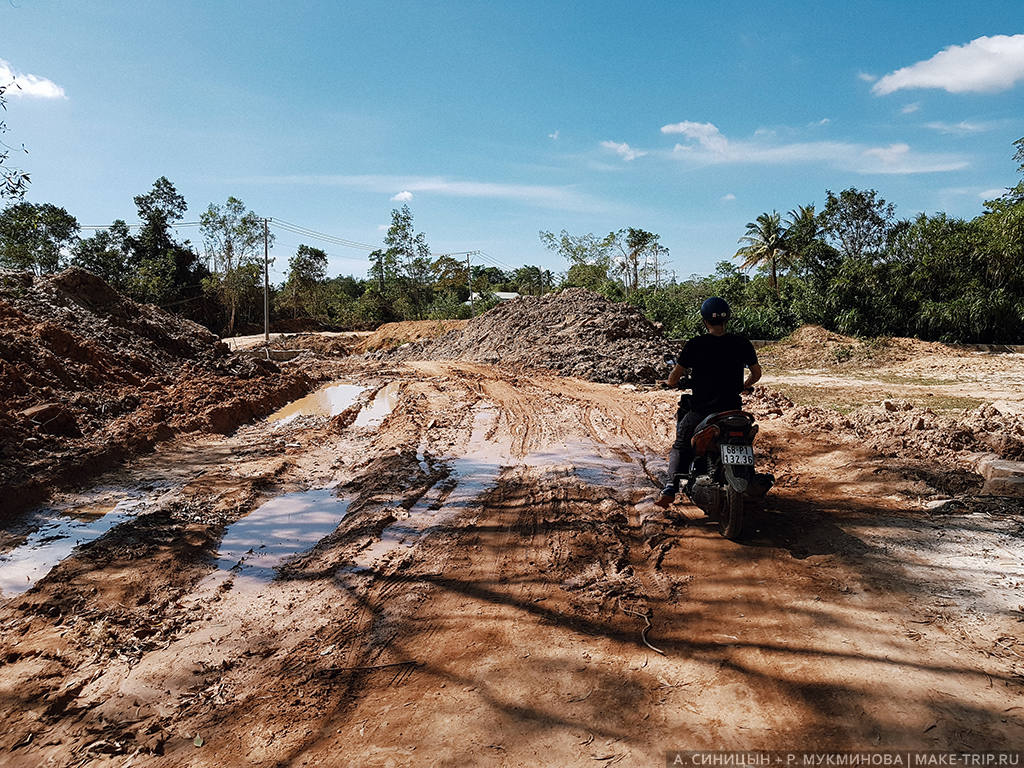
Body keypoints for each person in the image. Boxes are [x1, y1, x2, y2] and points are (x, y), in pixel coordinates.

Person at [655, 296, 761, 509]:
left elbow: (674, 378)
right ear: (727, 320)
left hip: (702, 412)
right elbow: (757, 373)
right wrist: (743, 385)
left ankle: (670, 486)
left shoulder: (695, 344)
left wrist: (671, 383)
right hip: (733, 411)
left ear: (705, 321)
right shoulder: (742, 343)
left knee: (681, 443)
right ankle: (749, 476)